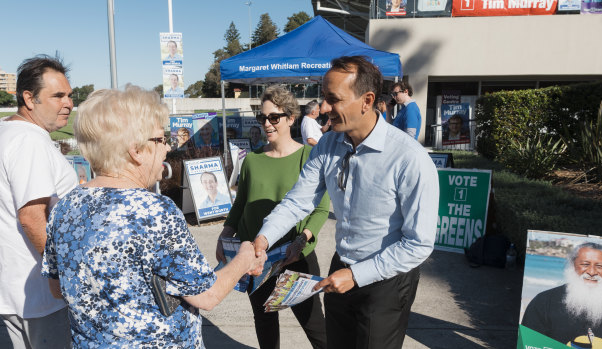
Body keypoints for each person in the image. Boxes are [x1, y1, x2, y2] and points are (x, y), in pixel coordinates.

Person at [41, 85, 265, 348]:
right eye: (160, 140)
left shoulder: (65, 206)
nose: (167, 149)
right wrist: (243, 258)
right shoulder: (155, 211)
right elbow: (207, 295)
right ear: (135, 150)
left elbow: (58, 289)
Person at [252, 56, 439, 349]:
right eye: (323, 98)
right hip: (341, 269)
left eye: (332, 99)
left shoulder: (409, 159)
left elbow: (419, 244)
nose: (323, 108)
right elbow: (299, 201)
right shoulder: (328, 144)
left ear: (367, 100)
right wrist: (263, 239)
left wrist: (357, 275)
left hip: (387, 281)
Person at [218, 85, 330, 349]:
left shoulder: (308, 156)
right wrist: (225, 234)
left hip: (296, 255)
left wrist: (302, 241)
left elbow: (321, 209)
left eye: (274, 117)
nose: (267, 124)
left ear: (291, 118)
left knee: (316, 328)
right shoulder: (252, 160)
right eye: (262, 117)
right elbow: (241, 204)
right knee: (265, 325)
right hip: (257, 259)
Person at [0, 55, 76, 349]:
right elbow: (32, 217)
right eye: (57, 96)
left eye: (70, 95)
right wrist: (63, 273)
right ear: (29, 98)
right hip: (41, 295)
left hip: (17, 289)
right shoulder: (28, 140)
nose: (68, 103)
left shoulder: (7, 131)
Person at [521, 242, 602, 347]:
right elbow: (528, 344)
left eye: (600, 266)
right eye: (585, 264)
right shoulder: (544, 302)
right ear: (573, 265)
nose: (592, 272)